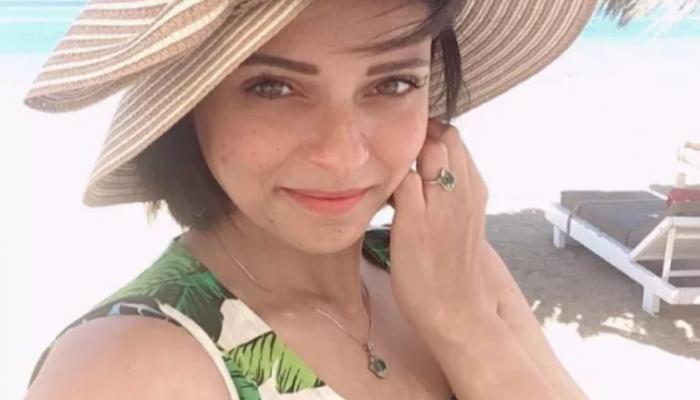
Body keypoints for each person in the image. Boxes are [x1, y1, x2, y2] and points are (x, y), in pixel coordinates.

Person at [23, 0, 597, 399]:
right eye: (273, 87)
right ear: (189, 106)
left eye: (393, 83)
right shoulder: (125, 370)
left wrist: (464, 324)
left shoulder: (460, 276)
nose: (344, 154)